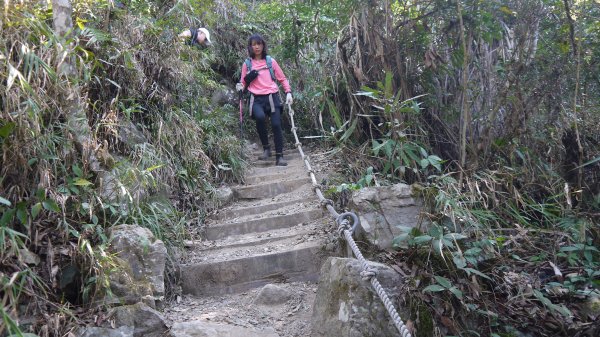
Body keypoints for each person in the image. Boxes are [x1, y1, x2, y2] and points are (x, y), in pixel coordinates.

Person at [236, 34, 293, 166]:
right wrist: (244, 82)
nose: (256, 47)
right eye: (254, 44)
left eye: (259, 44)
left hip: (272, 96)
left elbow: (282, 78)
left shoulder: (270, 61)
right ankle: (266, 148)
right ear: (250, 47)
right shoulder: (247, 64)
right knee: (260, 118)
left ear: (263, 45)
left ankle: (280, 156)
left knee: (276, 124)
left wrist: (288, 92)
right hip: (256, 98)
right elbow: (242, 83)